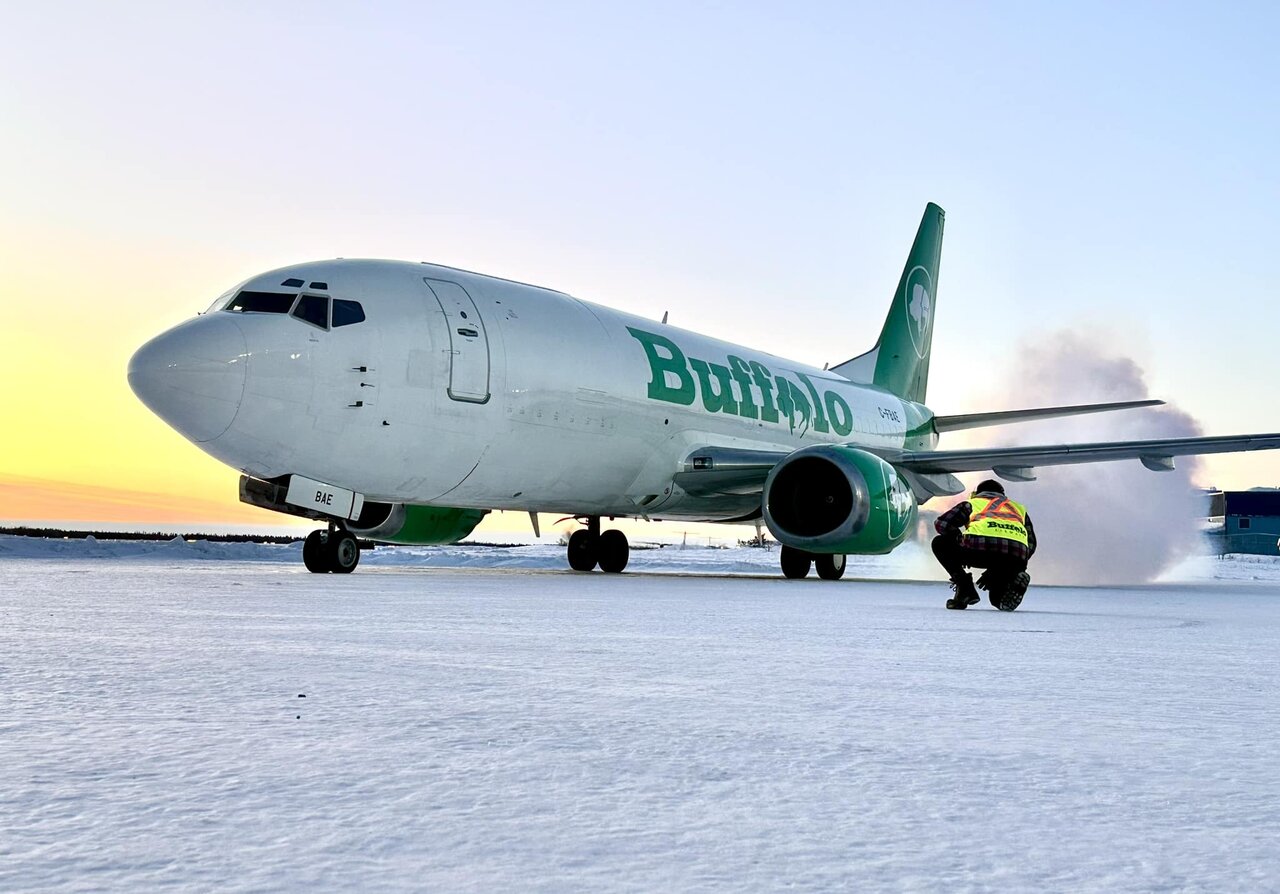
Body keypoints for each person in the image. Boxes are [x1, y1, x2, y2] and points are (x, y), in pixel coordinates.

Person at [931, 479, 1036, 610]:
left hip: (979, 549)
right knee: (996, 596)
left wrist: (959, 540)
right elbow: (1031, 543)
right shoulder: (1018, 509)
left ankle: (964, 588)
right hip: (1015, 555)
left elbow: (942, 524)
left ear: (978, 493)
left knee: (940, 543)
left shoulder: (972, 503)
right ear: (1002, 494)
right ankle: (1009, 588)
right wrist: (1002, 569)